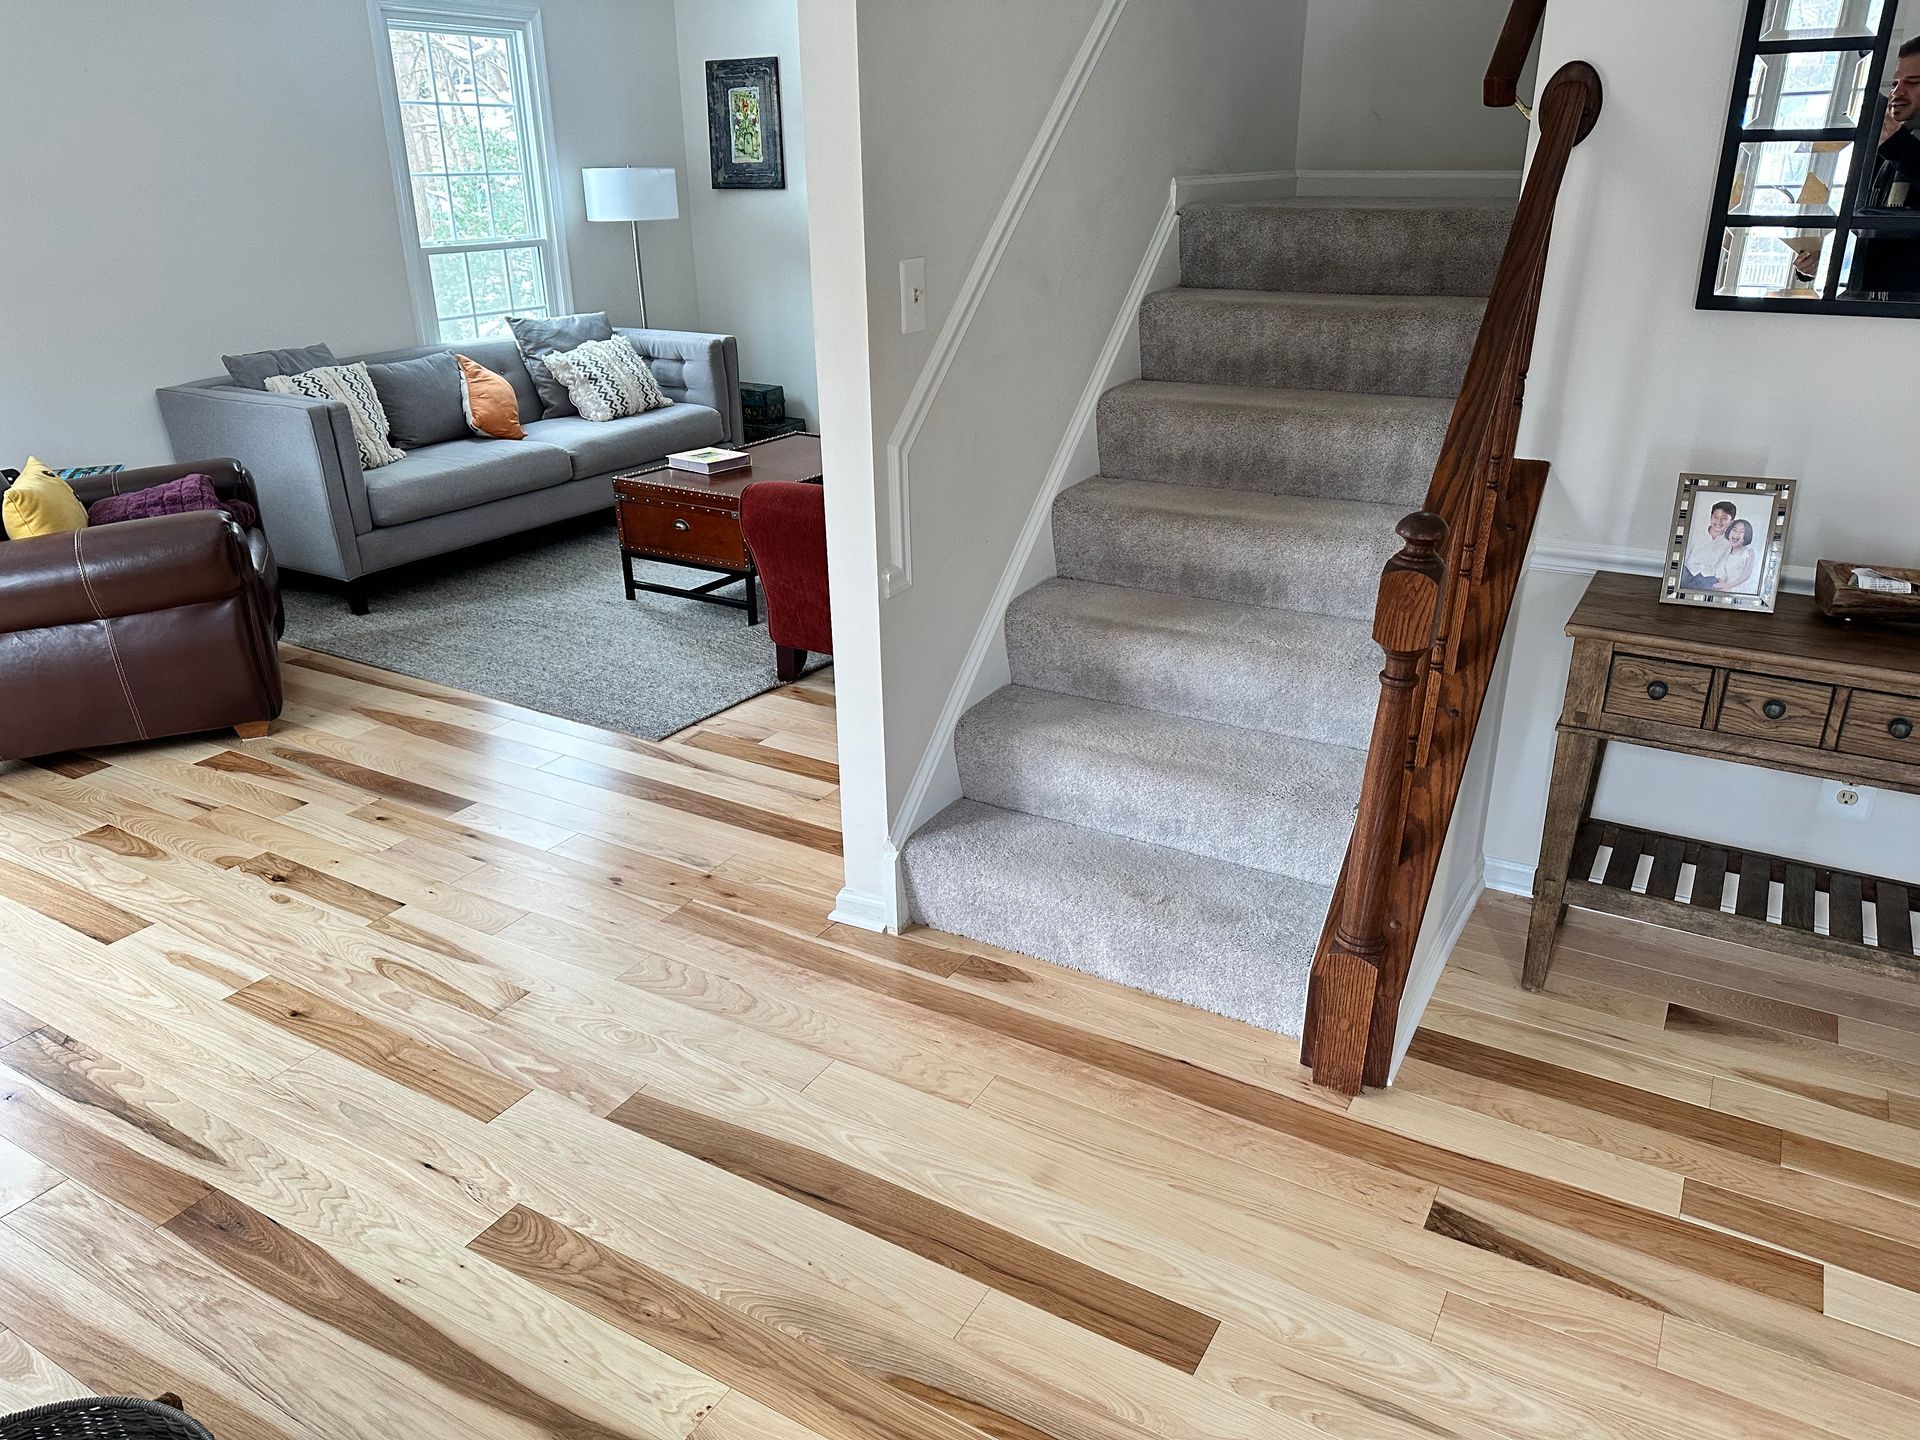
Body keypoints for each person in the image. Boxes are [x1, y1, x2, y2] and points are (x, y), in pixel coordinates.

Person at [1852, 36, 1920, 297]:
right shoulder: (1885, 147)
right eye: (1894, 83)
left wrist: (1896, 143)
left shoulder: (1896, 144)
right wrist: (1822, 262)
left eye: (1912, 82)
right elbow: (1866, 222)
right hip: (1868, 304)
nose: (1897, 93)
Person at [1683, 501, 1736, 588]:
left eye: (1724, 518)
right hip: (1687, 571)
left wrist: (1722, 582)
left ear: (1731, 522)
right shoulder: (1696, 533)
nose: (1719, 521)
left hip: (1708, 577)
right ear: (1711, 517)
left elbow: (1721, 566)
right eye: (1716, 517)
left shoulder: (1728, 543)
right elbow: (1684, 555)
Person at [1710, 518, 1760, 595]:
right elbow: (1719, 569)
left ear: (1747, 535)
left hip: (1739, 590)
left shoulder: (1749, 552)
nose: (1737, 534)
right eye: (1734, 530)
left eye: (1741, 532)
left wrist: (1728, 586)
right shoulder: (1726, 551)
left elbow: (1746, 575)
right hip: (1724, 589)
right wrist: (1722, 584)